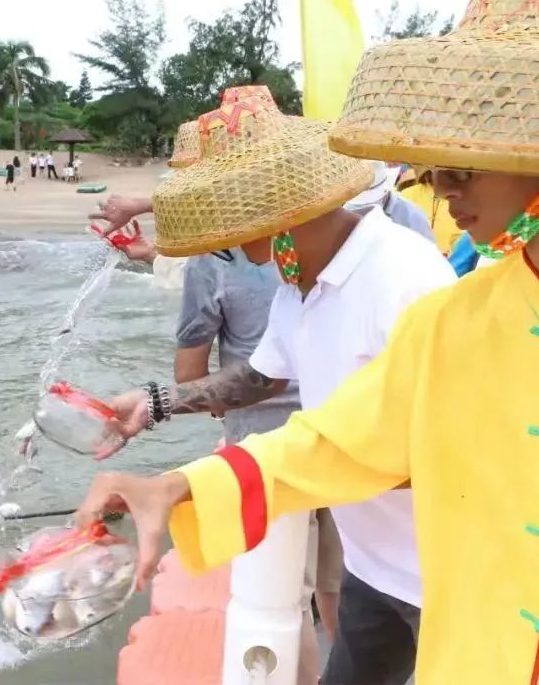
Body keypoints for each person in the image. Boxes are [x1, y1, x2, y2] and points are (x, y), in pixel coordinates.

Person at [76, 0, 539, 684]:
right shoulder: (448, 325)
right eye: (437, 165)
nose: (441, 187)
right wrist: (176, 486)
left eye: (464, 164)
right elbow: (332, 440)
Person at [93, 93, 457, 684]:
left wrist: (206, 483)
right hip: (374, 564)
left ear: (282, 216)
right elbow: (260, 377)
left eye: (239, 237)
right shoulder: (298, 285)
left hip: (442, 570)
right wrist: (157, 403)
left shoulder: (406, 279)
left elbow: (424, 450)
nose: (235, 252)